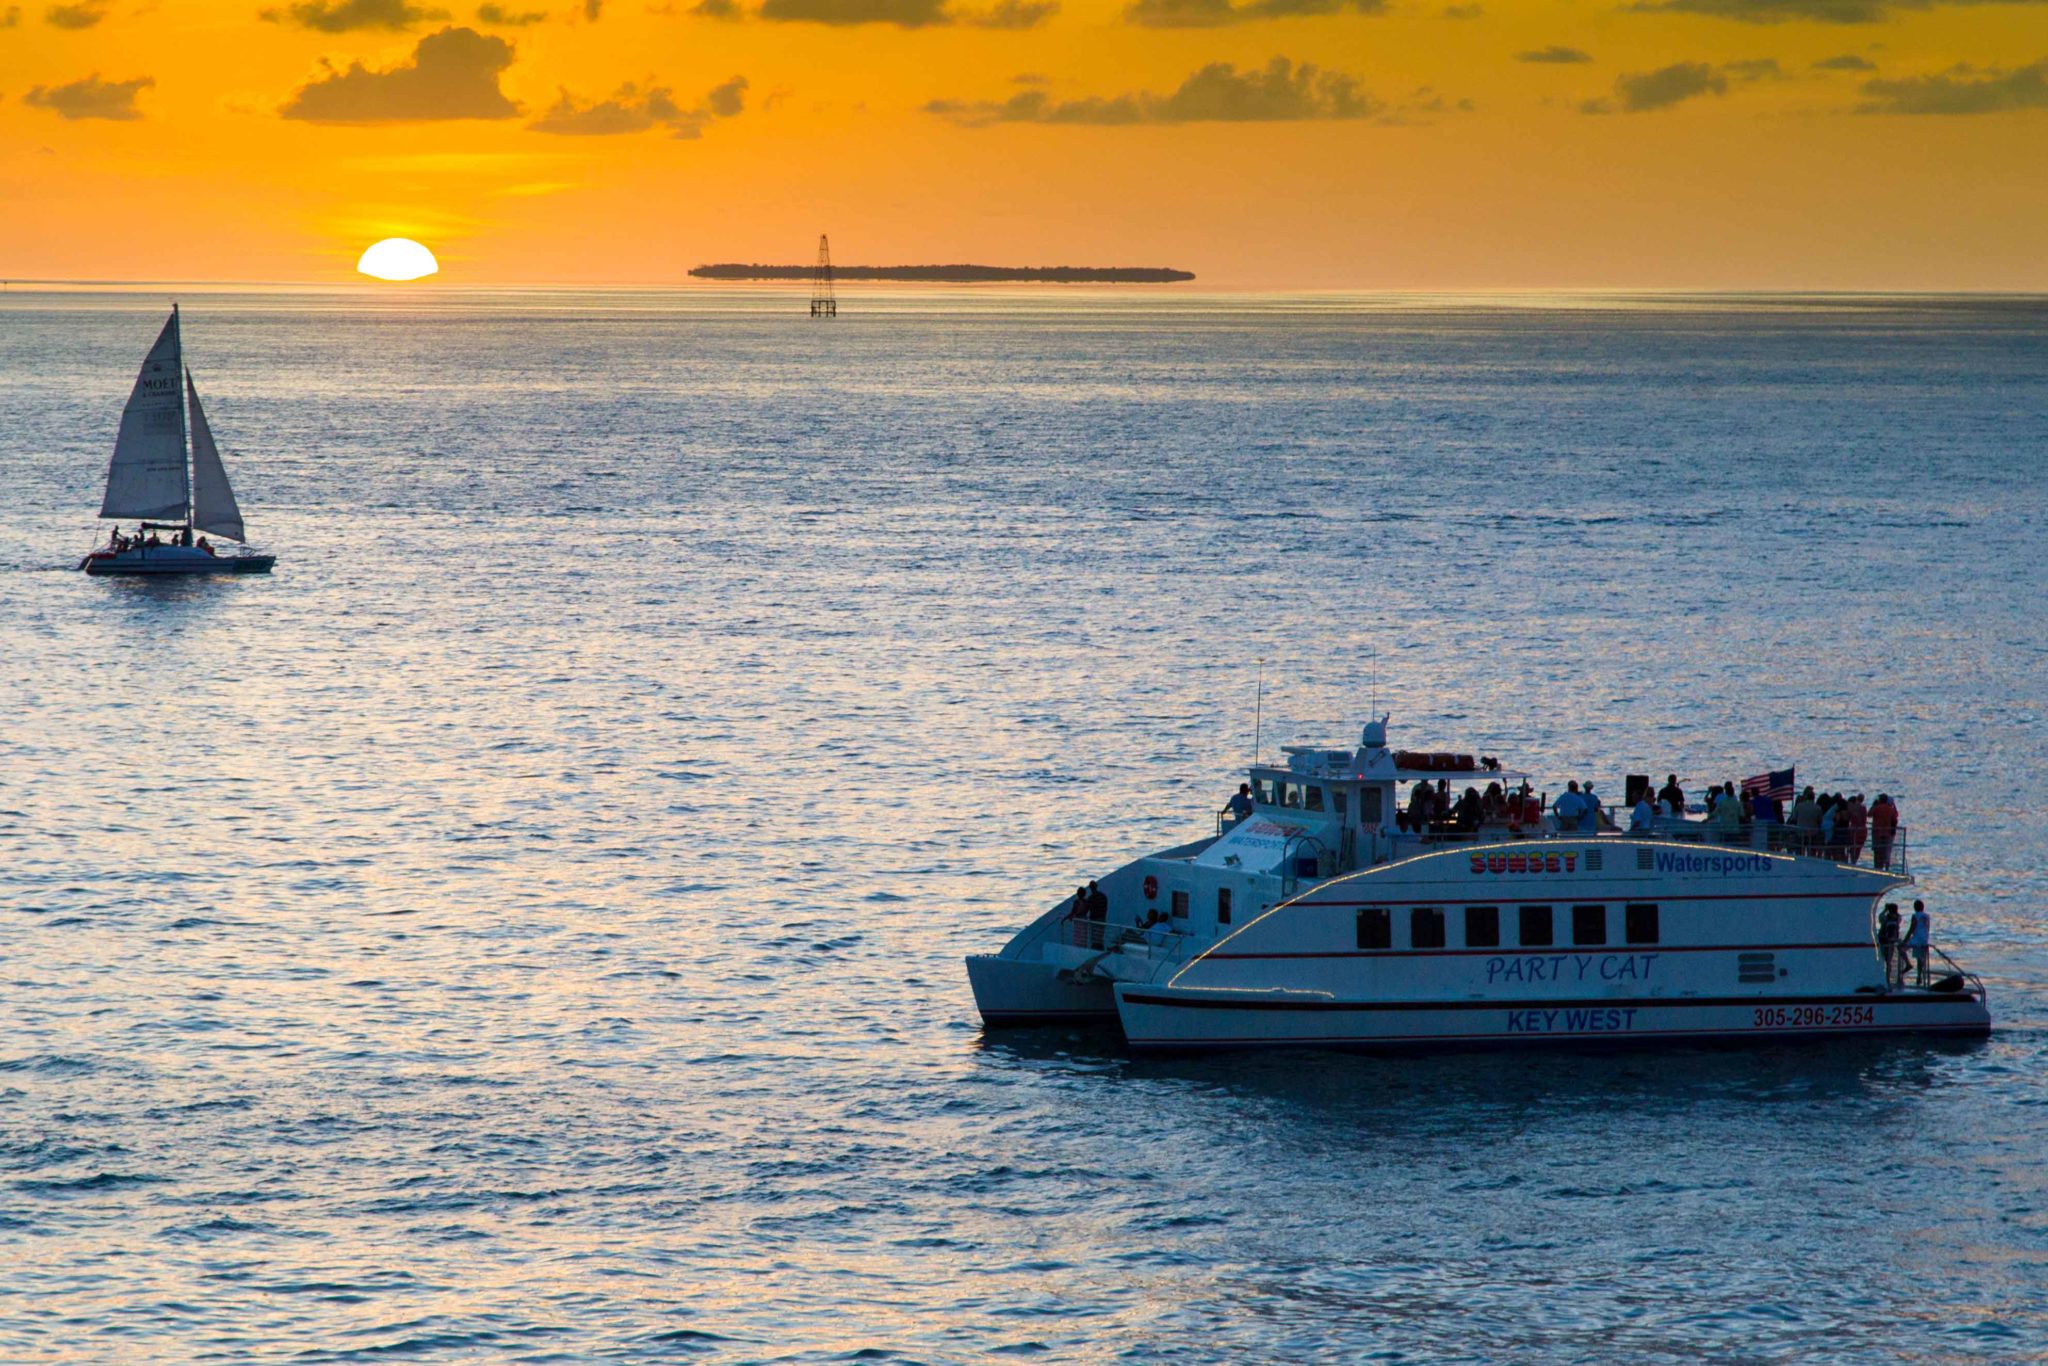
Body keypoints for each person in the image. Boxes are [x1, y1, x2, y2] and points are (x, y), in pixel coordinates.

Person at [1905, 899, 1932, 987]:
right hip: (1924, 939)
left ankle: (1908, 964)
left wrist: (1905, 940)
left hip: (1917, 939)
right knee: (1920, 958)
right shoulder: (1927, 916)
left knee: (1901, 948)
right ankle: (1919, 976)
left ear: (1915, 907)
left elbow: (1912, 928)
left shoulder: (1915, 915)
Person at [1870, 794, 1898, 870]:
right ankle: (1884, 868)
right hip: (1887, 833)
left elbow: (1869, 814)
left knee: (1877, 852)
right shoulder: (1890, 809)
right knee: (1885, 852)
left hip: (1877, 833)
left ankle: (1877, 868)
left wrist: (1874, 805)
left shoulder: (1876, 808)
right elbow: (1895, 819)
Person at [1877, 904, 1902, 989]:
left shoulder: (1886, 918)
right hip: (1890, 942)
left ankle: (1885, 979)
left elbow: (1880, 917)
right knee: (1889, 962)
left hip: (1883, 940)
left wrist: (1885, 910)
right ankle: (1887, 980)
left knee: (1884, 961)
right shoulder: (1896, 918)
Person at [1846, 794, 1868, 865]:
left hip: (1853, 829)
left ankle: (1852, 861)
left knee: (1852, 848)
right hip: (1862, 830)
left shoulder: (1852, 807)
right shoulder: (1863, 808)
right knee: (1858, 848)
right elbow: (1864, 820)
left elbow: (1848, 817)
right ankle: (1854, 862)